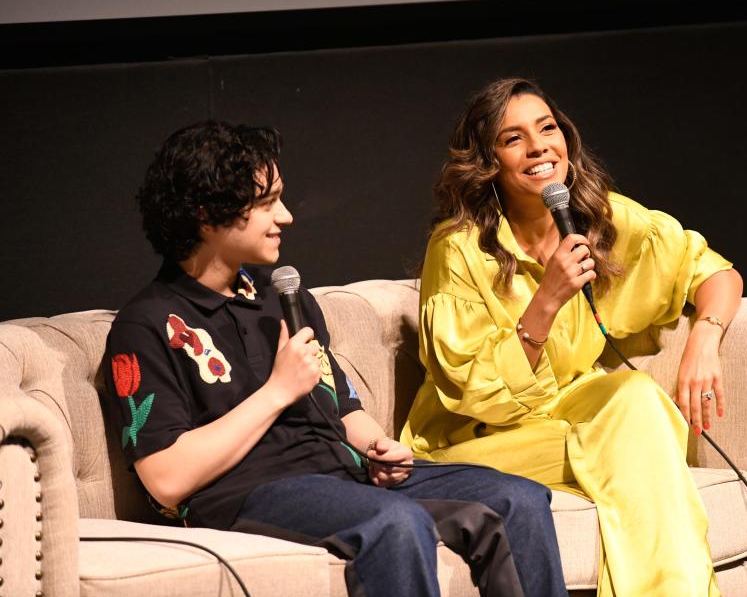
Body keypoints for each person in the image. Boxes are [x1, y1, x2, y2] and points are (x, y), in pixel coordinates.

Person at [105, 119, 568, 597]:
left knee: (519, 498)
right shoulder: (147, 324)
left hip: (345, 473)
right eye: (266, 204)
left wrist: (378, 448)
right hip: (249, 493)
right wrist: (277, 392)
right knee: (395, 523)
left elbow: (343, 409)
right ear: (206, 216)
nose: (285, 216)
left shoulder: (282, 296)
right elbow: (166, 479)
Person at [401, 78, 744, 596]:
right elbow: (475, 395)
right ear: (487, 162)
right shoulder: (457, 251)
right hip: (478, 441)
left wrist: (705, 341)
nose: (539, 146)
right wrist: (549, 299)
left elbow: (715, 272)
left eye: (547, 128)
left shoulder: (601, 219)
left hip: (567, 407)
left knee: (636, 396)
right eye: (513, 138)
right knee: (635, 444)